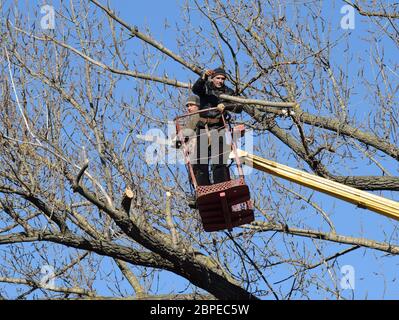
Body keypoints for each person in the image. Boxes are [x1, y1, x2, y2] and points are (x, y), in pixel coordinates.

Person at [191, 67, 243, 186]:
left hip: (219, 127)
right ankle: (204, 188)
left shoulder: (228, 92)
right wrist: (203, 77)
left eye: (223, 79)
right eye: (218, 78)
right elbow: (196, 89)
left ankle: (222, 186)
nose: (220, 81)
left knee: (219, 160)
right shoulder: (206, 87)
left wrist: (226, 106)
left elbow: (239, 107)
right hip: (203, 128)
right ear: (212, 78)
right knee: (200, 162)